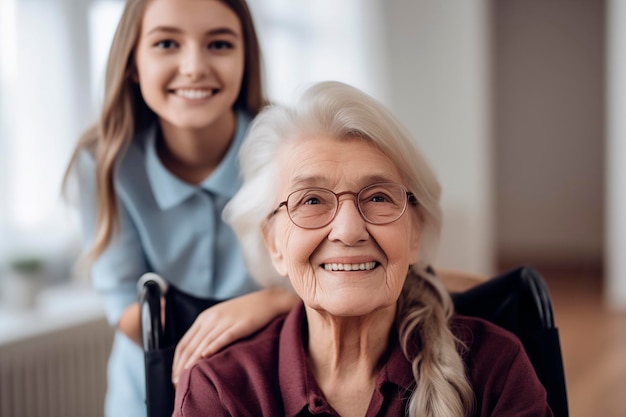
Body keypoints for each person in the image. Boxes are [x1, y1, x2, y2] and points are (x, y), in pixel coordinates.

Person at [172, 81, 553, 417]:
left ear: (414, 233)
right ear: (273, 242)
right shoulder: (220, 390)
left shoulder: (495, 367)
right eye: (311, 201)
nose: (349, 230)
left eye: (378, 197)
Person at [63, 0, 298, 415]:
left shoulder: (293, 148)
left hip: (266, 390)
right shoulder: (101, 162)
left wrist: (276, 302)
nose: (193, 66)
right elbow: (130, 312)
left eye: (220, 44)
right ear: (133, 62)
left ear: (246, 58)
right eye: (167, 43)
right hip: (148, 395)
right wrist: (270, 307)